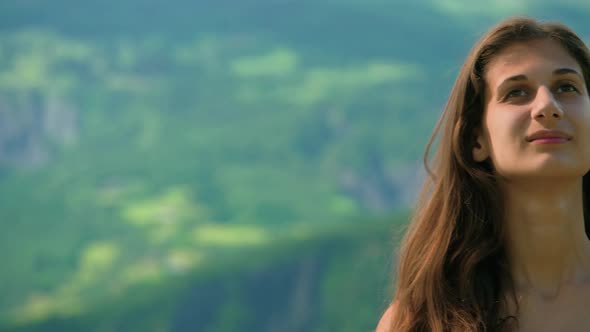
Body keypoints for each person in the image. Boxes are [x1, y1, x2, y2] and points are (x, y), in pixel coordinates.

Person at [376, 16, 590, 331]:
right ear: (477, 140)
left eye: (566, 87)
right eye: (517, 92)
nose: (547, 105)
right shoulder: (421, 320)